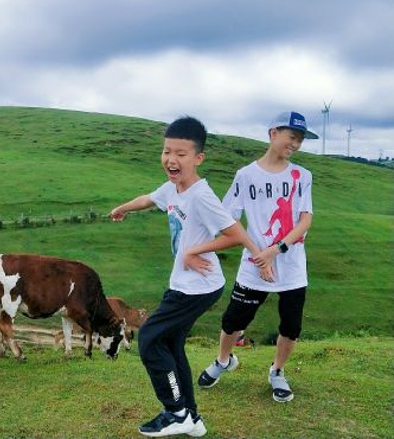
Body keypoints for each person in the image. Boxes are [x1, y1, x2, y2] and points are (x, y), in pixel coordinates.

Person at [110, 116, 264, 437]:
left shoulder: (201, 196)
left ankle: (176, 411)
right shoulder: (173, 188)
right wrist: (123, 207)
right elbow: (148, 198)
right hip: (185, 283)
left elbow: (236, 234)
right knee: (173, 344)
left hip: (197, 286)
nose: (171, 159)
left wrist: (195, 251)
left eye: (181, 153)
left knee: (150, 339)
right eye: (167, 151)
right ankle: (192, 418)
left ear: (198, 158)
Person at [197, 111, 318, 403]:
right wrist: (258, 255)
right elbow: (230, 220)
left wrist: (275, 252)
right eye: (292, 137)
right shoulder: (245, 175)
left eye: (300, 140)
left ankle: (277, 371)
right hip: (254, 267)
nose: (296, 144)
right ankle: (224, 360)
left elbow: (305, 221)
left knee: (291, 326)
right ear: (273, 133)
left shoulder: (302, 176)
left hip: (290, 267)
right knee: (232, 322)